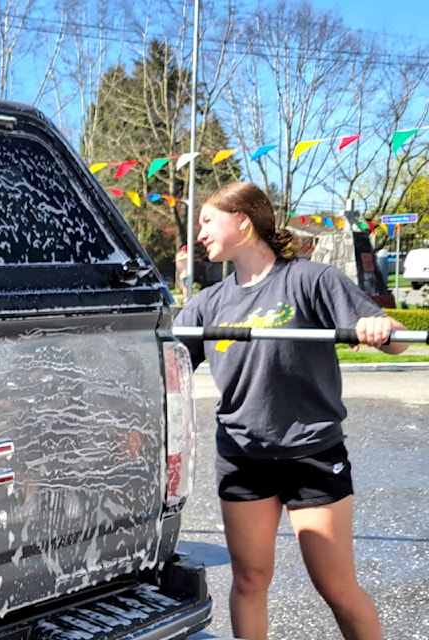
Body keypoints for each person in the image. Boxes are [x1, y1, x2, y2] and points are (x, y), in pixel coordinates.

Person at [174, 182, 407, 640]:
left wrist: (381, 326)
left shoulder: (309, 279)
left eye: (206, 220)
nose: (198, 232)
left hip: (311, 454)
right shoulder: (208, 304)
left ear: (242, 220)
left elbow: (397, 340)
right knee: (248, 581)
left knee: (336, 586)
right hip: (242, 456)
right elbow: (164, 361)